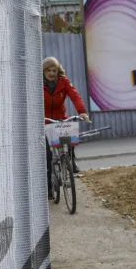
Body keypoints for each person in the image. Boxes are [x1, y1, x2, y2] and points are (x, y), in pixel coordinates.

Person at [43, 56, 88, 187]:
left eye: (54, 70)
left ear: (58, 71)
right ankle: (49, 188)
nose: (51, 73)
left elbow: (74, 95)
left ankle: (71, 160)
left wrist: (82, 111)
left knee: (69, 137)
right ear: (43, 71)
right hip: (44, 120)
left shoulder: (64, 82)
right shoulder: (37, 82)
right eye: (48, 70)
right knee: (47, 155)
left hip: (60, 117)